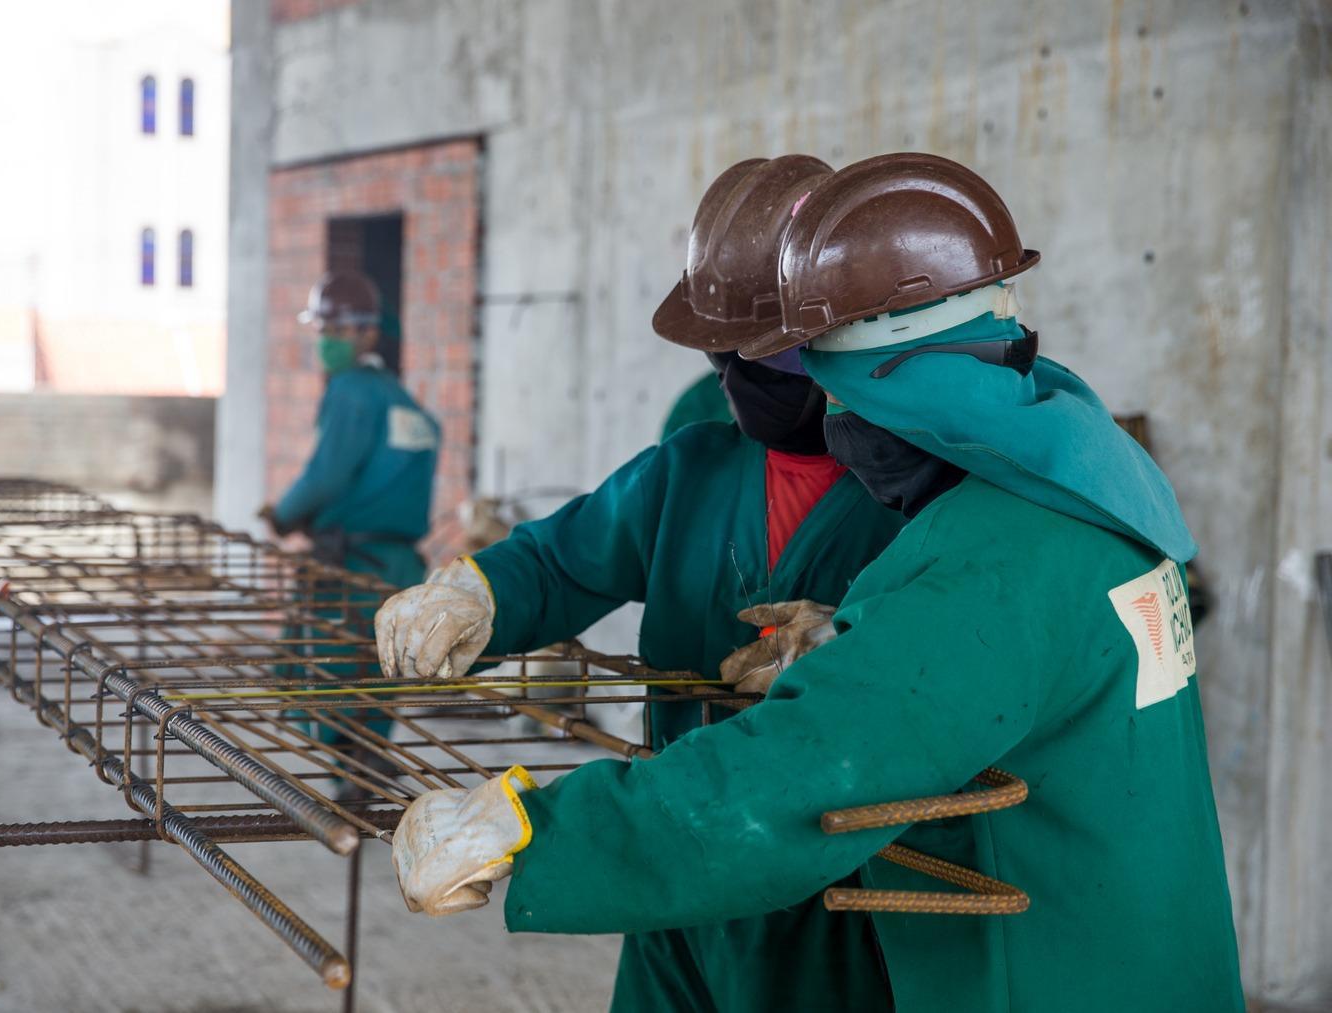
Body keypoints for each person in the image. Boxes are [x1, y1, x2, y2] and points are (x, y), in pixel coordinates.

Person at [385, 153, 1244, 1013]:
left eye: (838, 396)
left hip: (985, 941)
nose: (834, 423)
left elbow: (802, 769)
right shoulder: (1083, 487)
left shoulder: (998, 557)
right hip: (1115, 938)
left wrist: (533, 827)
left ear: (901, 386)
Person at [375, 156, 907, 1006]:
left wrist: (850, 647)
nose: (738, 375)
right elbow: (562, 558)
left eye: (764, 353)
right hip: (671, 870)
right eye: (725, 351)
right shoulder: (691, 467)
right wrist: (476, 591)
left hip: (836, 886)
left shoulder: (920, 494)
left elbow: (945, 666)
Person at [260, 269, 439, 751]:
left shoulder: (351, 390)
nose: (328, 342)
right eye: (324, 331)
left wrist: (283, 514)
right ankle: (364, 777)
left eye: (338, 331)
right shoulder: (400, 398)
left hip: (352, 565)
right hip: (398, 566)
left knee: (328, 686)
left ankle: (350, 793)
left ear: (367, 331)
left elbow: (327, 474)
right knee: (372, 686)